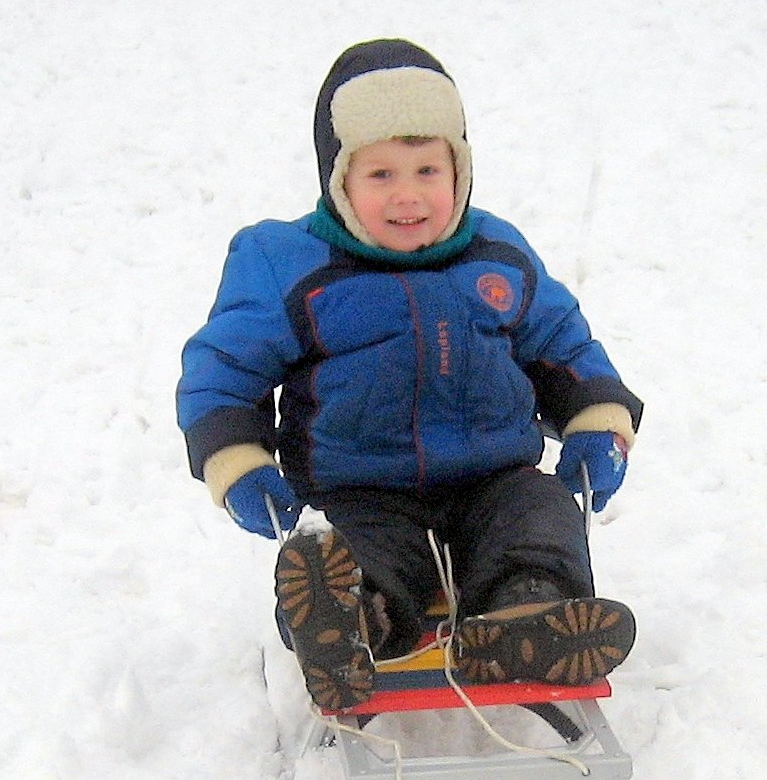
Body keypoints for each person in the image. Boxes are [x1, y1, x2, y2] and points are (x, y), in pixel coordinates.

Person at [177, 38, 643, 712]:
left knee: (540, 521)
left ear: (461, 170)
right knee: (355, 555)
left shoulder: (498, 254)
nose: (408, 196)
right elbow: (222, 373)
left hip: (494, 480)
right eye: (381, 176)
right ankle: (349, 623)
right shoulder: (287, 264)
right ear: (338, 180)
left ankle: (527, 617)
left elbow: (564, 345)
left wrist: (596, 422)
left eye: (429, 170)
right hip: (359, 487)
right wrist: (238, 463)